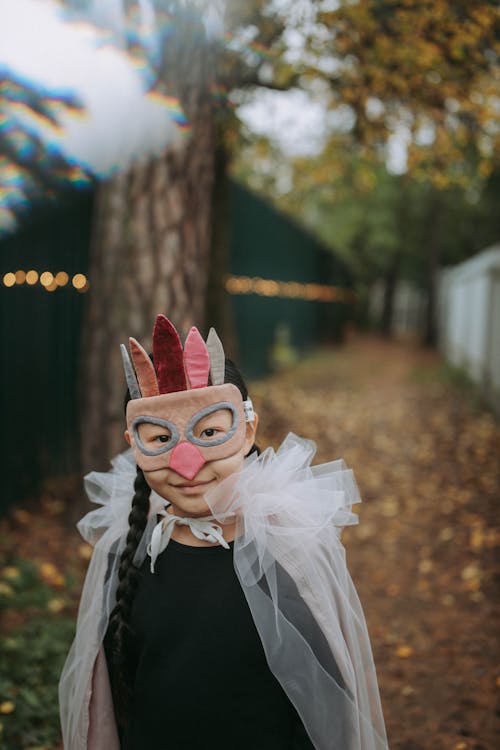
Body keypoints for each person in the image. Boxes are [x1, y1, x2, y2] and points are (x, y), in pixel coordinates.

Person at [59, 314, 388, 750]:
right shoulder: (127, 554)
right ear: (133, 443)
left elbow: (326, 702)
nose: (186, 464)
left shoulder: (289, 553)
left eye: (211, 432)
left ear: (247, 428)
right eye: (160, 439)